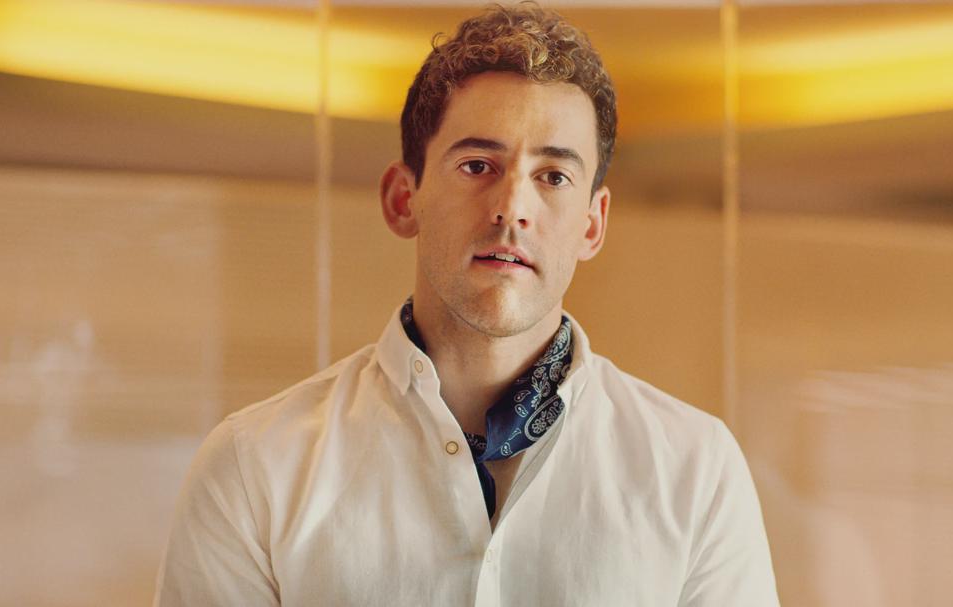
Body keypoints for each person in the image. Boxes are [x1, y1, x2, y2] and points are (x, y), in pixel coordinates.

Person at [154, 3, 779, 606]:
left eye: (553, 176)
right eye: (478, 165)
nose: (512, 208)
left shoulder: (696, 470)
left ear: (592, 224)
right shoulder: (254, 467)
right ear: (403, 199)